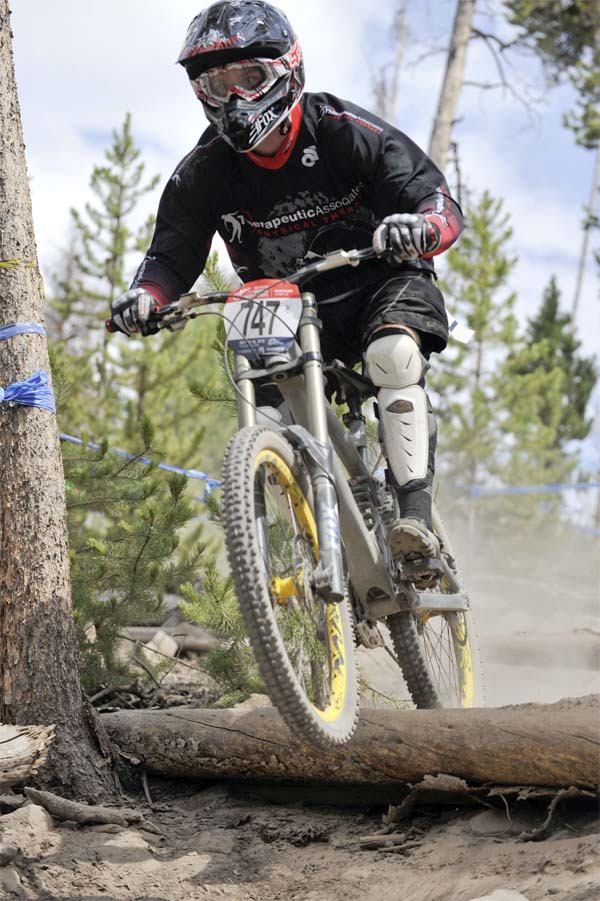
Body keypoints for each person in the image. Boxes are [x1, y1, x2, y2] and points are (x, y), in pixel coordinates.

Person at [110, 0, 464, 585]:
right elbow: (170, 256)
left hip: (379, 279)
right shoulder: (203, 172)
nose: (236, 100)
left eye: (249, 78)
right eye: (216, 85)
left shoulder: (343, 130)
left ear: (287, 70)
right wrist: (146, 296)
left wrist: (420, 226)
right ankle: (308, 548)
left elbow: (436, 199)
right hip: (286, 305)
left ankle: (414, 522)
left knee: (393, 356)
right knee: (271, 415)